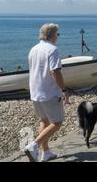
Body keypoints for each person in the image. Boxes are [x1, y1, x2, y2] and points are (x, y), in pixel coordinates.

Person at [24, 23, 70, 162]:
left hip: (35, 92)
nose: (58, 36)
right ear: (51, 35)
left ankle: (46, 152)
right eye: (57, 34)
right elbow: (55, 71)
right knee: (57, 122)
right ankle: (34, 145)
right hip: (49, 92)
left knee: (44, 121)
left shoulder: (33, 49)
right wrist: (64, 89)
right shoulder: (52, 49)